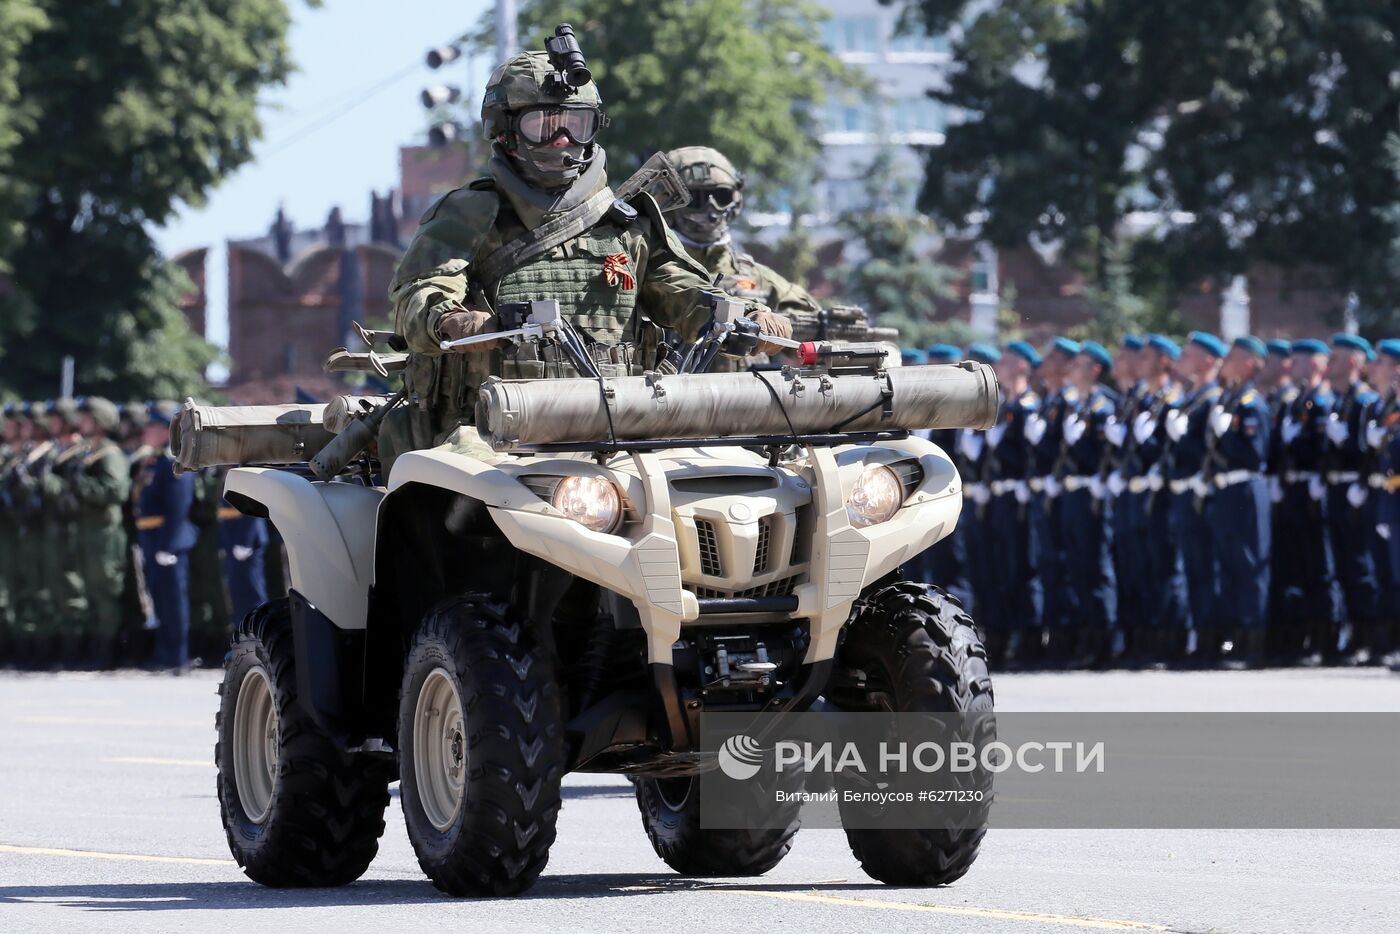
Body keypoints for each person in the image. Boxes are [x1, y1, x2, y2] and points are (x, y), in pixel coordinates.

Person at [384, 44, 781, 469]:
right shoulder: (469, 213)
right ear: (505, 130)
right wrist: (457, 321)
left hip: (618, 436)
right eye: (546, 125)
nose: (563, 140)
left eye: (577, 124)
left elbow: (684, 290)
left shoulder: (627, 223)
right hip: (494, 435)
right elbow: (418, 299)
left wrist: (745, 315)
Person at [663, 145, 819, 328]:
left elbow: (818, 330)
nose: (710, 207)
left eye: (721, 196)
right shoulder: (644, 270)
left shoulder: (759, 279)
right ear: (667, 201)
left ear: (735, 199)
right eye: (695, 198)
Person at [1107, 334, 1185, 664]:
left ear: (1165, 362)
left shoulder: (1173, 399)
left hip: (1162, 496)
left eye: (1147, 356)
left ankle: (1169, 641)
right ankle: (1142, 639)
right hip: (1135, 495)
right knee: (1136, 569)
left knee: (1164, 569)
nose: (1139, 361)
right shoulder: (1142, 399)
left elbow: (1177, 448)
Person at [1273, 339, 1344, 663]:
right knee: (1297, 567)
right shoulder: (1297, 401)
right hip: (1294, 489)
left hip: (1315, 489)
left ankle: (1325, 642)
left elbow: (1324, 449)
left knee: (1320, 568)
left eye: (1298, 362)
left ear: (1316, 365)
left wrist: (1314, 469)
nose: (1291, 367)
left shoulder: (1324, 401)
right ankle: (1301, 639)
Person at [1161, 332, 1227, 665]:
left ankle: (1214, 642)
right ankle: (1200, 639)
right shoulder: (1191, 398)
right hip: (1186, 493)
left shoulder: (1214, 399)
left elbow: (1212, 450)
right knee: (1194, 570)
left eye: (1188, 354)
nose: (1180, 359)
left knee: (1207, 569)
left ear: (1205, 361)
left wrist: (1184, 439)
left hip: (1205, 495)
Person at [1207, 337, 1272, 667]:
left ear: (1249, 364)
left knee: (1249, 565)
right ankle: (1233, 638)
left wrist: (1228, 435)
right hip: (1227, 490)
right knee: (1230, 564)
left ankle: (1253, 644)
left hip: (1247, 489)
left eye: (1231, 357)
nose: (1224, 362)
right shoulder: (1230, 400)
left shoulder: (1251, 404)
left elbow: (1254, 454)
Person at [1058, 341, 1120, 666]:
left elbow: (1103, 456)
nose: (1071, 371)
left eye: (1078, 365)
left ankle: (1105, 641)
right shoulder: (1080, 404)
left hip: (1094, 495)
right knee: (1078, 569)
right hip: (1075, 495)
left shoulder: (1103, 405)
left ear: (1095, 370)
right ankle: (1088, 639)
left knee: (1097, 568)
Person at [982, 340, 1044, 666]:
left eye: (1005, 362)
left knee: (1023, 567)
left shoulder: (1029, 406)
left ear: (1021, 367)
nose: (999, 367)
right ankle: (1004, 638)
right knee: (1001, 569)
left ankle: (1029, 639)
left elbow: (1033, 455)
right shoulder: (1005, 407)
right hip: (999, 497)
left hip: (1021, 496)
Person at [1321, 334, 1380, 665]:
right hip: (1337, 491)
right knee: (1342, 567)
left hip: (1358, 491)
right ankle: (1353, 636)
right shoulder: (1340, 401)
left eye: (1336, 358)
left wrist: (1350, 449)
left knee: (1360, 567)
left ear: (1354, 362)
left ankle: (1369, 638)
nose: (1330, 364)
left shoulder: (1365, 402)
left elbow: (1371, 452)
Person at [133, 402, 198, 672]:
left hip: (167, 539)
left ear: (166, 431)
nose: (147, 431)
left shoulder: (174, 462)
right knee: (159, 597)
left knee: (173, 600)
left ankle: (178, 656)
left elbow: (179, 507)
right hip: (152, 536)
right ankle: (164, 653)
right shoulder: (155, 460)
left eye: (154, 426)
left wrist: (168, 544)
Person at [1029, 337, 1080, 659]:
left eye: (1051, 358)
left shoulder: (1070, 401)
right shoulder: (1050, 400)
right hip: (1047, 493)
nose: (1043, 364)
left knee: (1066, 565)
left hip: (1067, 494)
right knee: (1049, 565)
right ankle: (1056, 636)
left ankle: (1069, 638)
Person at [74, 397, 131, 668]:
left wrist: (81, 484)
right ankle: (95, 648)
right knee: (92, 593)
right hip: (89, 531)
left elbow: (116, 491)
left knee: (106, 591)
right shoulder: (89, 452)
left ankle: (107, 652)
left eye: (87, 418)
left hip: (105, 534)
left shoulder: (110, 454)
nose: (81, 423)